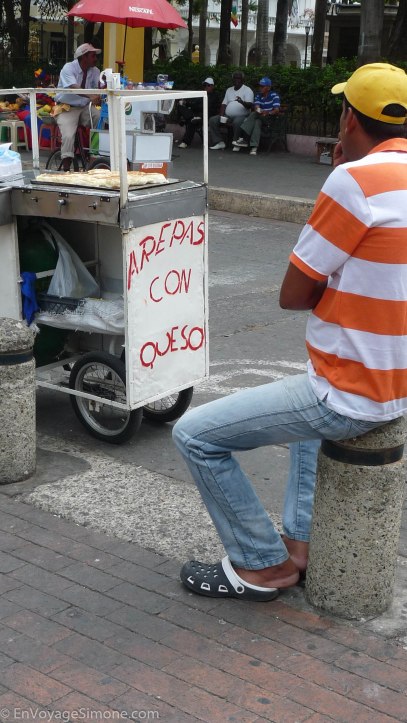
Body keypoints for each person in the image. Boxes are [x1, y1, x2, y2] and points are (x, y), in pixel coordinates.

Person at [172, 62, 407, 602]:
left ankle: (261, 566)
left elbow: (294, 294)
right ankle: (299, 546)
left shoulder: (354, 182)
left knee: (195, 436)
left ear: (349, 119)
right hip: (394, 384)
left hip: (349, 391)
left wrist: (343, 180)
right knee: (304, 409)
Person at [55, 43, 103, 171]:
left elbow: (99, 88)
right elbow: (73, 87)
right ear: (84, 57)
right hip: (67, 108)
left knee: (101, 119)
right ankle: (66, 169)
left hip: (84, 107)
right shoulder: (68, 68)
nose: (96, 59)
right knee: (68, 135)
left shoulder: (95, 71)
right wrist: (91, 96)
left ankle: (95, 156)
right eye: (93, 56)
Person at [233, 76, 280, 155]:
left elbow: (276, 110)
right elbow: (256, 107)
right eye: (259, 86)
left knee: (254, 114)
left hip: (270, 119)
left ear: (268, 87)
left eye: (262, 86)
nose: (260, 88)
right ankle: (254, 147)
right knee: (257, 122)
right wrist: (259, 110)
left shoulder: (274, 95)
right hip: (260, 117)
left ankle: (245, 138)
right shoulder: (258, 95)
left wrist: (268, 113)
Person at [208, 71, 254, 150]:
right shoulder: (229, 90)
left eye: (238, 78)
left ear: (242, 80)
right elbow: (224, 104)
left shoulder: (247, 90)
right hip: (228, 116)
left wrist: (242, 102)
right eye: (235, 78)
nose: (236, 80)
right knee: (213, 120)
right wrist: (222, 116)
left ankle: (236, 142)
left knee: (237, 122)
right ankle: (219, 142)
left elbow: (250, 105)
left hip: (242, 116)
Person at [178, 78, 220, 149]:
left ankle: (185, 142)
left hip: (207, 115)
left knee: (192, 122)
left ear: (212, 86)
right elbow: (194, 104)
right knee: (180, 106)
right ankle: (190, 117)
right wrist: (186, 103)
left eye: (208, 85)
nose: (206, 87)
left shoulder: (214, 96)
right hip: (196, 113)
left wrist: (194, 106)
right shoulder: (201, 95)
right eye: (204, 85)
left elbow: (206, 107)